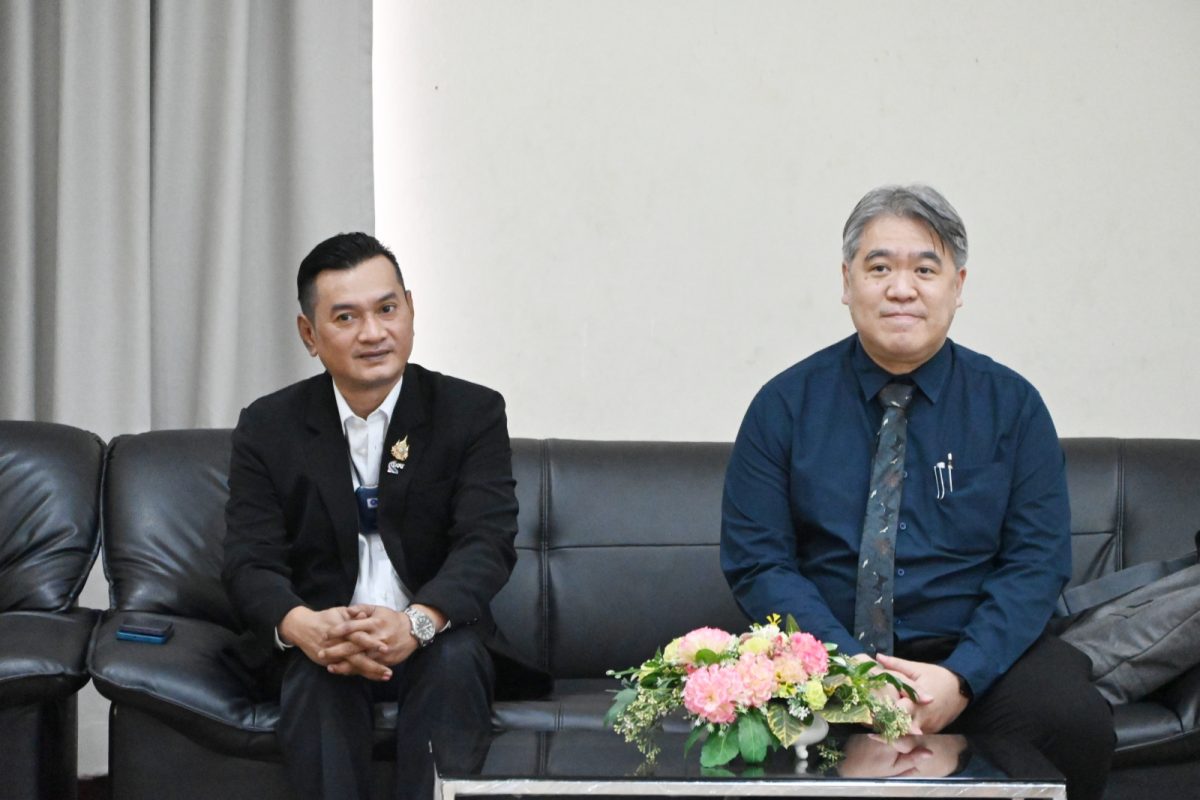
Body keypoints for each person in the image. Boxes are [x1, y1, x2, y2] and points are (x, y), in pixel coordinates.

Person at [720, 185, 1114, 800]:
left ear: (958, 285)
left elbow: (1036, 564)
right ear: (847, 281)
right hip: (821, 654)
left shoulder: (1012, 407)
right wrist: (849, 671)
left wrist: (960, 678)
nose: (901, 289)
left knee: (1072, 719)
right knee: (735, 729)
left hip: (974, 658)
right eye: (879, 268)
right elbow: (759, 561)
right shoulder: (783, 406)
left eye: (925, 270)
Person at [222, 232, 548, 800]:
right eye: (346, 317)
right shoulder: (268, 426)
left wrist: (416, 623)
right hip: (324, 639)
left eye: (387, 309)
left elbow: (486, 541)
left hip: (436, 634)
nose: (373, 333)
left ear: (411, 310)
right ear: (309, 334)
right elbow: (250, 560)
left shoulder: (469, 412)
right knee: (318, 678)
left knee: (453, 663)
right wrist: (304, 627)